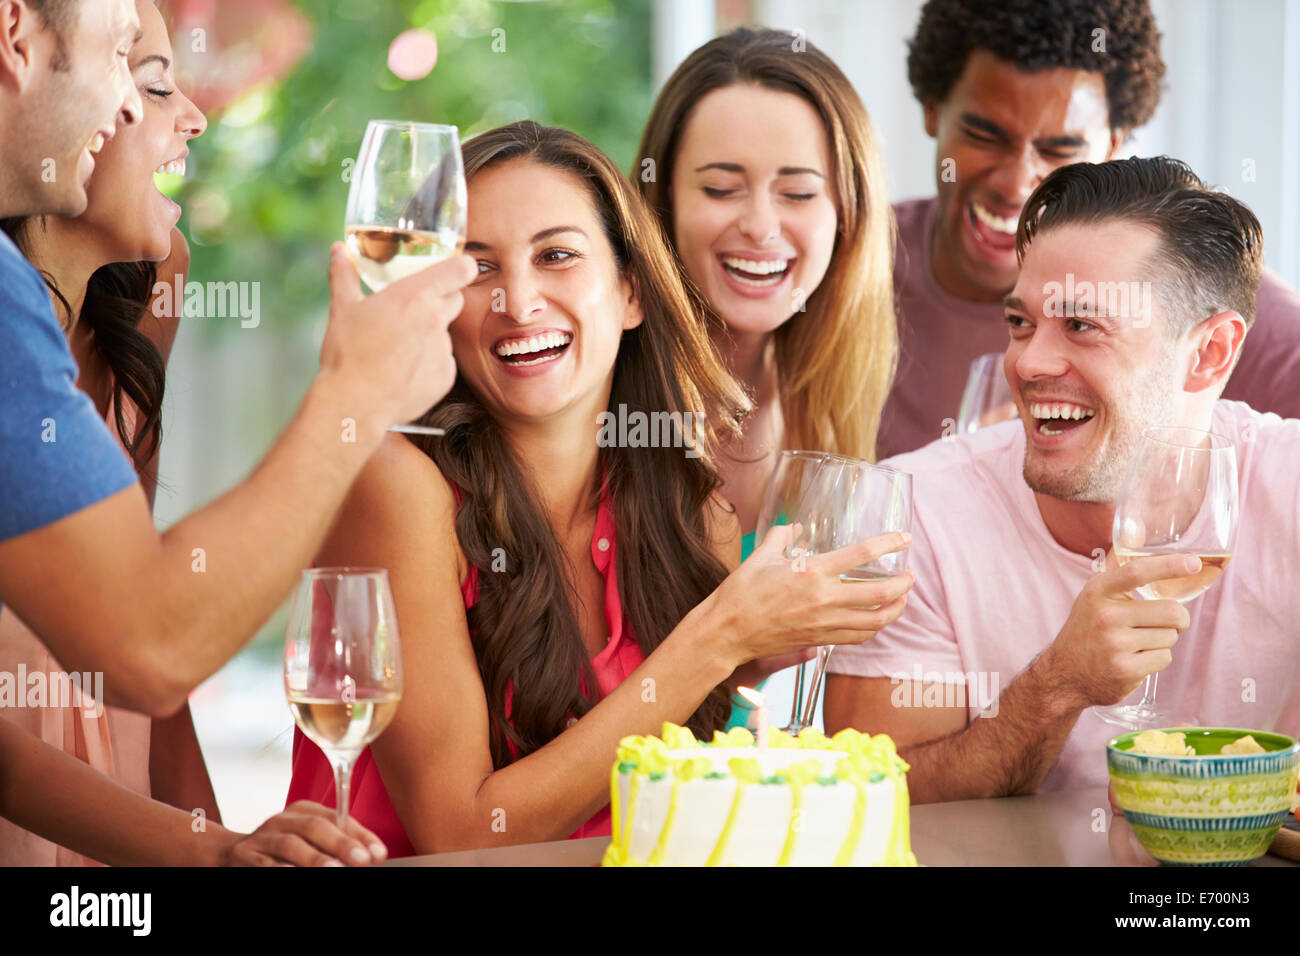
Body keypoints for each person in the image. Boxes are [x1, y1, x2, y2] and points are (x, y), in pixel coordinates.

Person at [285, 121, 915, 854]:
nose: (517, 302)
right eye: (477, 267)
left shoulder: (693, 510)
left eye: (556, 256)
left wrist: (754, 653)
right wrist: (720, 637)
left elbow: (672, 800)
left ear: (631, 293)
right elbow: (462, 830)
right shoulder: (398, 485)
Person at [0, 0, 409, 866]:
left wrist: (216, 847)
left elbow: (143, 636)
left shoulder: (147, 294)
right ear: (17, 42)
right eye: (138, 75)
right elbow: (154, 641)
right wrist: (355, 398)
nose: (191, 117)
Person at [825, 156, 1300, 801]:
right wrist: (1059, 684)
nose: (1029, 362)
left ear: (1208, 353)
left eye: (1082, 325)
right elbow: (879, 794)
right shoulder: (911, 513)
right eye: (1021, 323)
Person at [879, 0, 1300, 458]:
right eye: (984, 136)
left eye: (1059, 149)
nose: (1016, 182)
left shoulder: (1203, 294)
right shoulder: (854, 261)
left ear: (1114, 144)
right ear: (932, 110)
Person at [634, 27, 898, 728]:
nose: (759, 225)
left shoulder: (829, 408)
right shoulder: (601, 406)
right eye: (721, 188)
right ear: (660, 205)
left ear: (847, 217)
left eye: (799, 193)